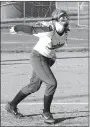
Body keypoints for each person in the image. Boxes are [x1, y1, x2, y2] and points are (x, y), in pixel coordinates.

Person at [5, 9, 70, 124]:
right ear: (55, 20)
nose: (65, 19)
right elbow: (31, 30)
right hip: (38, 57)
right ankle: (46, 113)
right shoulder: (48, 30)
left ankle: (12, 105)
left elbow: (53, 45)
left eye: (66, 17)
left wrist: (52, 57)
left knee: (34, 86)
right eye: (62, 17)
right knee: (51, 83)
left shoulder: (65, 31)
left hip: (48, 59)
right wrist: (17, 28)